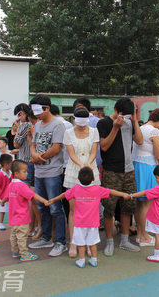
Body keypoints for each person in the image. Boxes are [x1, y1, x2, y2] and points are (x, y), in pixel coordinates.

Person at [47, 167, 129, 268]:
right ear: (94, 178)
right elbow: (110, 191)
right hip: (93, 223)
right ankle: (94, 260)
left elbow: (64, 195)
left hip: (79, 223)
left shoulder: (76, 189)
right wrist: (124, 194)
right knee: (92, 243)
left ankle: (81, 261)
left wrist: (54, 199)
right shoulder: (97, 189)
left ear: (78, 178)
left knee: (80, 243)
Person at [97, 97, 143, 256]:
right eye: (123, 114)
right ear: (116, 110)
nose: (125, 118)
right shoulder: (103, 123)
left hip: (129, 171)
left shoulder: (131, 122)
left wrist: (135, 121)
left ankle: (124, 240)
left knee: (128, 206)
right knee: (109, 207)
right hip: (111, 172)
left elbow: (139, 141)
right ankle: (109, 242)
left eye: (130, 115)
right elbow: (103, 147)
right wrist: (115, 128)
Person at [27, 94, 68, 257]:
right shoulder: (37, 125)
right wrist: (33, 154)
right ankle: (46, 238)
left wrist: (38, 158)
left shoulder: (58, 124)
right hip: (39, 172)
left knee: (55, 208)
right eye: (33, 111)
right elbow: (33, 144)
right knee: (41, 206)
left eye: (38, 110)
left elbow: (56, 148)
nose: (35, 114)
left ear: (47, 108)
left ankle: (61, 242)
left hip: (53, 172)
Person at [63, 106, 100, 257]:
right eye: (79, 123)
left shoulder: (94, 131)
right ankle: (74, 241)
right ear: (73, 119)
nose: (82, 126)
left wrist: (88, 165)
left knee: (91, 210)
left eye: (84, 123)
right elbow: (71, 153)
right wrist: (80, 165)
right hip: (74, 170)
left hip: (91, 168)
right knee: (73, 209)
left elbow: (94, 151)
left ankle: (89, 242)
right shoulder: (68, 133)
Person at [132, 108, 159, 247]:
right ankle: (144, 237)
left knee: (139, 203)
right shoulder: (154, 131)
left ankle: (140, 234)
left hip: (137, 166)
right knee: (146, 204)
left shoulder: (140, 128)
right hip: (148, 168)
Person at [7, 159, 50, 262]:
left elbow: (6, 197)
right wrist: (44, 200)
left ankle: (15, 251)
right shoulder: (21, 186)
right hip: (22, 217)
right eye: (24, 171)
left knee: (14, 235)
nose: (27, 173)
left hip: (13, 217)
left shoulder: (11, 185)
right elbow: (33, 195)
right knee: (22, 236)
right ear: (16, 173)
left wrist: (2, 201)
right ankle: (24, 254)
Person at [128, 165, 159, 262]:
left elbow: (145, 192)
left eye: (157, 177)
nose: (155, 179)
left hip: (156, 215)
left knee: (157, 236)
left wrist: (132, 195)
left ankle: (156, 255)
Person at [13, 104, 42, 240]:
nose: (18, 117)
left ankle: (34, 226)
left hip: (26, 163)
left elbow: (16, 143)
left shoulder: (25, 126)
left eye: (19, 114)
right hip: (30, 161)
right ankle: (36, 226)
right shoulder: (35, 124)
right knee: (32, 197)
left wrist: (17, 129)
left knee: (29, 198)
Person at [0, 154, 13, 231]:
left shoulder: (11, 173)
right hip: (3, 196)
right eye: (11, 163)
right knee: (2, 211)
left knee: (12, 210)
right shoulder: (0, 174)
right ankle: (1, 223)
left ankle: (12, 223)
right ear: (5, 164)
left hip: (11, 196)